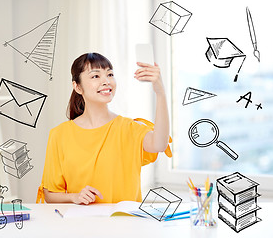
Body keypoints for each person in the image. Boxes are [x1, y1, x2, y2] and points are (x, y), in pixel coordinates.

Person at [36, 53, 172, 205]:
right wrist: (74, 196)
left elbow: (160, 144)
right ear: (77, 87)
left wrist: (160, 92)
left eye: (110, 74)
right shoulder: (59, 135)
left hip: (125, 225)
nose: (106, 81)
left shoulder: (129, 128)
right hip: (80, 226)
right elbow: (50, 195)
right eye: (95, 76)